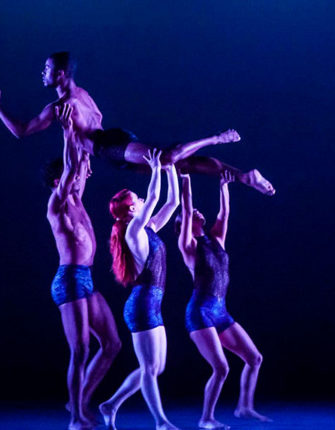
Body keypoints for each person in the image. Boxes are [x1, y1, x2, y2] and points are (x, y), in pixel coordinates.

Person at [0, 51, 275, 195]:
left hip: (110, 146)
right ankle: (243, 177)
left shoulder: (61, 106)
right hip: (111, 146)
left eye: (47, 69)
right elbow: (87, 131)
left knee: (166, 158)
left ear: (60, 74)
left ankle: (216, 138)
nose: (42, 73)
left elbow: (21, 131)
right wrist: (85, 158)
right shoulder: (83, 95)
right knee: (179, 166)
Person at [46, 104, 122, 430]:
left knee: (112, 344)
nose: (78, 179)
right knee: (80, 349)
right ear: (58, 181)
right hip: (69, 281)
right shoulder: (58, 204)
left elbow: (80, 163)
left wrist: (82, 134)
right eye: (71, 177)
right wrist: (66, 133)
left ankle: (78, 400)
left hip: (86, 279)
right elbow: (70, 168)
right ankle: (76, 417)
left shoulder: (77, 199)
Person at [176, 172, 271, 429]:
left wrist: (224, 186)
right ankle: (206, 418)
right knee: (221, 368)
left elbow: (224, 214)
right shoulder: (189, 246)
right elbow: (187, 209)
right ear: (185, 223)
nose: (196, 212)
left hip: (220, 311)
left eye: (197, 211)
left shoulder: (216, 239)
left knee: (254, 358)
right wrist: (186, 181)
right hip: (200, 312)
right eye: (190, 214)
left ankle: (244, 407)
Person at [99, 148, 181, 430]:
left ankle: (110, 404)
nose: (143, 200)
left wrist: (171, 168)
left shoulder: (149, 228)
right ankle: (161, 422)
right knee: (149, 369)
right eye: (138, 199)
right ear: (132, 210)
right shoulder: (133, 231)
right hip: (142, 305)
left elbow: (172, 202)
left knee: (157, 367)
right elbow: (155, 197)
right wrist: (156, 169)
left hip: (152, 304)